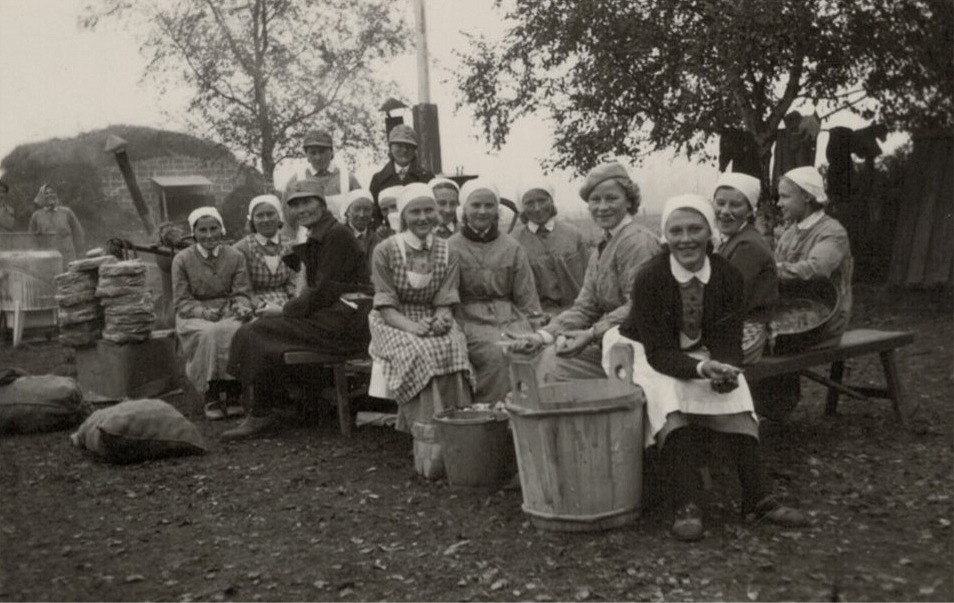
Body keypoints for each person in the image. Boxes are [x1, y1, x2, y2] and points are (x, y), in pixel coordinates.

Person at [603, 194, 808, 542]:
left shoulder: (727, 275)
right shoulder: (651, 277)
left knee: (738, 391)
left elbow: (728, 336)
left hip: (697, 350)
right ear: (665, 236)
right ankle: (687, 503)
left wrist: (726, 368)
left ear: (710, 232)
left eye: (695, 229)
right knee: (669, 396)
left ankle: (758, 497)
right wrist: (701, 371)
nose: (686, 239)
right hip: (639, 348)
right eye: (676, 230)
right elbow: (659, 353)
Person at [222, 179, 373, 440]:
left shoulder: (336, 234)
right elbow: (317, 287)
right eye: (296, 205)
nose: (302, 210)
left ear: (322, 204)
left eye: (308, 202)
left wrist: (283, 310)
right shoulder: (318, 233)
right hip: (336, 313)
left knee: (256, 332)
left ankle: (262, 412)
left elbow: (324, 290)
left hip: (347, 320)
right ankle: (287, 402)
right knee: (258, 331)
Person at [512, 162, 662, 380]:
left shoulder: (637, 242)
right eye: (595, 200)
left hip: (643, 346)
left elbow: (640, 306)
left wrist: (592, 333)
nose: (602, 207)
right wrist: (543, 336)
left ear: (629, 201)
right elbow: (585, 306)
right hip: (615, 339)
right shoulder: (605, 244)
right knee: (546, 358)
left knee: (553, 367)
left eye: (611, 198)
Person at [367, 183, 473, 476]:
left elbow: (446, 297)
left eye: (429, 210)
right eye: (416, 212)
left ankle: (459, 434)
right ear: (403, 216)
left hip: (430, 315)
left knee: (454, 345)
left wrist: (442, 317)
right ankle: (426, 438)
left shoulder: (446, 250)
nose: (424, 217)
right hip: (394, 319)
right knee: (419, 351)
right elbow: (385, 304)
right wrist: (413, 327)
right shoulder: (386, 250)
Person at [448, 179, 542, 405]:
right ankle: (492, 416)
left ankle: (527, 417)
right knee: (496, 355)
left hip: (510, 316)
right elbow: (446, 295)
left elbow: (526, 295)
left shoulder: (511, 247)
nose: (482, 211)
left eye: (489, 206)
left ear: (497, 210)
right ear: (464, 210)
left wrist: (537, 328)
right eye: (476, 205)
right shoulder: (450, 247)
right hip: (469, 319)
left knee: (530, 350)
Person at [172, 207, 253, 420]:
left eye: (213, 229)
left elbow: (242, 292)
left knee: (234, 330)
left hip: (227, 311)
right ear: (194, 232)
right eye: (202, 230)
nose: (209, 235)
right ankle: (212, 393)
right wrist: (203, 312)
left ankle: (234, 392)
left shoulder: (235, 256)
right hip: (193, 314)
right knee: (209, 334)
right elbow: (181, 300)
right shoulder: (182, 259)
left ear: (221, 229)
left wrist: (239, 306)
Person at [775, 166, 853, 344]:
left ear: (807, 197)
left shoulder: (833, 232)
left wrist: (770, 271)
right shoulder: (789, 234)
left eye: (785, 196)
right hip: (795, 312)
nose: (778, 203)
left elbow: (816, 269)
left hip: (826, 319)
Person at [712, 172, 778, 364]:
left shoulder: (748, 246)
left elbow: (726, 299)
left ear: (750, 211)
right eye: (720, 203)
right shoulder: (731, 240)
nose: (725, 211)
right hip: (731, 325)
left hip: (746, 330)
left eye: (735, 205)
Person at [511, 178, 590, 314]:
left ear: (551, 201)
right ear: (522, 207)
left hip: (579, 312)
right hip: (536, 315)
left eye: (542, 200)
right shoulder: (514, 242)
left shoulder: (574, 235)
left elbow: (591, 278)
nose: (537, 208)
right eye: (529, 203)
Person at [281, 129, 361, 239]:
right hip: (307, 242)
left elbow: (362, 211)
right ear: (307, 155)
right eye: (313, 153)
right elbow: (289, 221)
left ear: (332, 152)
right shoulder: (296, 181)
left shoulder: (348, 179)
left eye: (322, 151)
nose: (318, 157)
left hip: (344, 240)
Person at [232, 194, 297, 314]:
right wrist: (262, 306)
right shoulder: (241, 249)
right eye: (260, 216)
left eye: (270, 214)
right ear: (252, 219)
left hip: (288, 304)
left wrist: (292, 306)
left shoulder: (291, 246)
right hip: (255, 305)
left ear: (279, 216)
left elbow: (294, 283)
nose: (266, 220)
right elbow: (243, 290)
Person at [369, 125, 435, 222]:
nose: (404, 150)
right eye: (399, 146)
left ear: (415, 150)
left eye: (409, 146)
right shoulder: (378, 179)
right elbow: (374, 213)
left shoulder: (427, 177)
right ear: (391, 148)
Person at [27, 184, 86, 263]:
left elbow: (78, 233)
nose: (50, 195)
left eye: (52, 192)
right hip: (47, 255)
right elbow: (31, 237)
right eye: (46, 193)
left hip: (67, 254)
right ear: (41, 196)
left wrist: (80, 252)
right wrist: (36, 255)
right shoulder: (36, 215)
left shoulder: (66, 212)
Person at [341, 188, 382, 269]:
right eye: (357, 209)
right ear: (347, 212)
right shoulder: (338, 237)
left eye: (367, 209)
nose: (362, 214)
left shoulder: (377, 240)